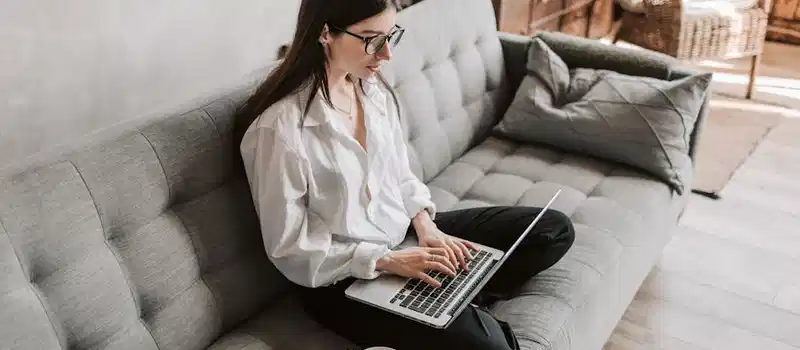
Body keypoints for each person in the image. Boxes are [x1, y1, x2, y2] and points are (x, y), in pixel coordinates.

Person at [234, 0, 575, 349]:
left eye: (389, 37)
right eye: (371, 39)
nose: (386, 55)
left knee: (552, 230)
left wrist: (428, 228)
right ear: (325, 33)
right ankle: (454, 306)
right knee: (492, 347)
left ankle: (453, 296)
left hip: (404, 237)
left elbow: (400, 176)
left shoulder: (371, 90)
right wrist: (387, 261)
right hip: (343, 279)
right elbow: (291, 248)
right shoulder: (279, 131)